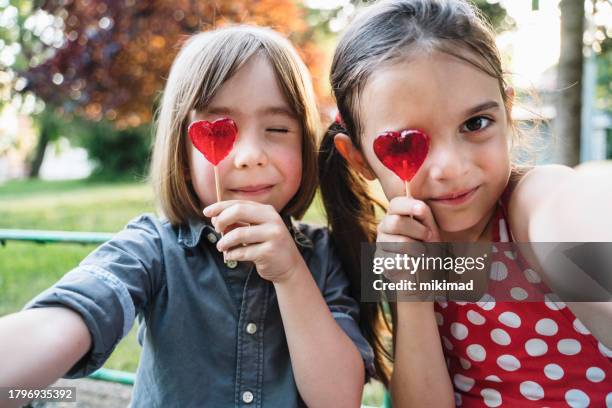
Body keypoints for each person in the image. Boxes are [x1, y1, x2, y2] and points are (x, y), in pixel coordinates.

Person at [0, 25, 374, 408]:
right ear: (182, 148)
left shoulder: (324, 256)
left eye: (277, 128)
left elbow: (339, 399)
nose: (249, 155)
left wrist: (292, 275)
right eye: (218, 130)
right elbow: (72, 315)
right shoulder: (152, 248)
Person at [318, 0, 612, 406]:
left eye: (475, 124)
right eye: (406, 143)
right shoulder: (402, 249)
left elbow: (576, 214)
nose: (451, 167)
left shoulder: (531, 203)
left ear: (506, 112)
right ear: (358, 159)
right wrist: (413, 294)